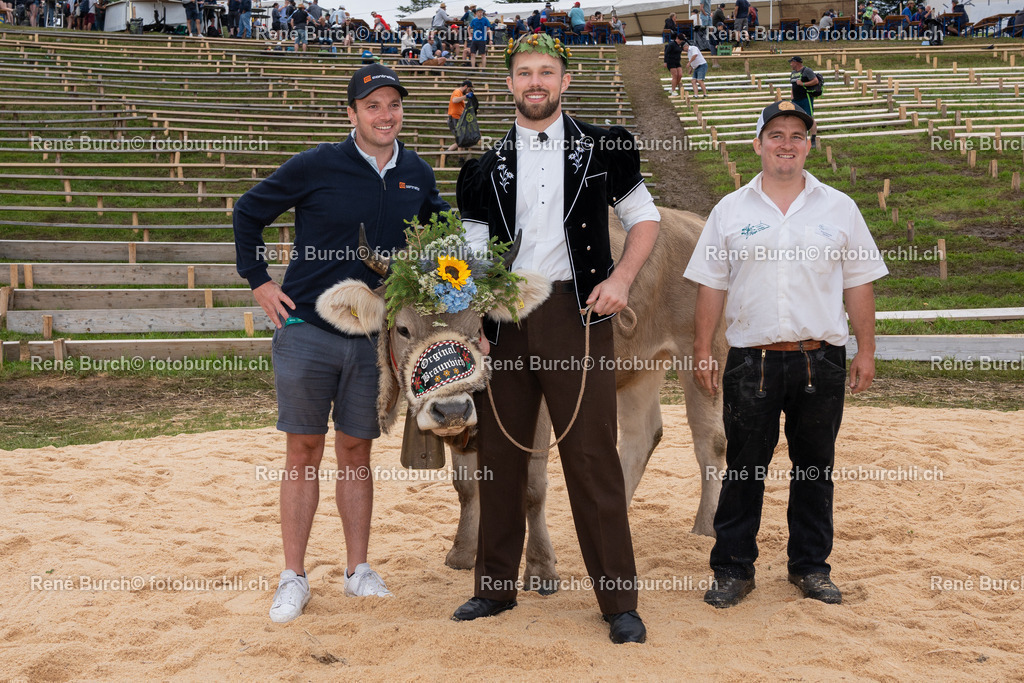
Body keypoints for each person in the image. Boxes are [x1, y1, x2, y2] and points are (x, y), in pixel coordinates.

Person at [452, 33, 661, 645]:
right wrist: (476, 325)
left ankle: (618, 601)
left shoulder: (606, 146)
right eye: (524, 73)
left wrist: (622, 278)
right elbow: (470, 256)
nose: (535, 82)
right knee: (500, 455)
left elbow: (642, 218)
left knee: (590, 455)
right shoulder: (481, 169)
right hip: (503, 319)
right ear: (510, 83)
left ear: (564, 81)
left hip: (577, 312)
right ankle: (494, 587)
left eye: (546, 72)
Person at [234, 64, 449, 624]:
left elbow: (448, 236)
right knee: (302, 451)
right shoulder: (317, 164)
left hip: (371, 344)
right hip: (306, 330)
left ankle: (358, 571)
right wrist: (259, 282)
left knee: (357, 453)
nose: (385, 115)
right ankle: (293, 577)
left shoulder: (417, 174)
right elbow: (248, 211)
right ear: (351, 114)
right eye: (372, 105)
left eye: (393, 105)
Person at [684, 100, 887, 609]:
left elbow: (859, 282)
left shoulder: (840, 207)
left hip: (822, 358)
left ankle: (810, 567)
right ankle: (733, 569)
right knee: (744, 467)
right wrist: (703, 350)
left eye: (798, 134)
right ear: (758, 144)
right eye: (776, 133)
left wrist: (867, 349)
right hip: (751, 360)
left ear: (809, 145)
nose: (787, 142)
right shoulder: (729, 210)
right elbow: (711, 286)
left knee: (814, 466)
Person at [788, 56, 819, 147]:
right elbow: (793, 86)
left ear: (796, 62)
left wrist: (803, 84)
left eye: (791, 62)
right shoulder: (793, 73)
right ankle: (800, 137)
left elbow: (815, 81)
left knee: (809, 117)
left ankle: (813, 138)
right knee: (796, 118)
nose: (790, 64)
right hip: (796, 99)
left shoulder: (807, 70)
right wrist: (792, 97)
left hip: (806, 98)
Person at [447, 79, 474, 150]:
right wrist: (466, 96)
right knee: (462, 139)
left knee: (462, 139)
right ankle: (447, 153)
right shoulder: (457, 91)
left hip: (458, 119)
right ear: (465, 86)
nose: (469, 91)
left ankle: (459, 158)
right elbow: (454, 100)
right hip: (454, 118)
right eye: (469, 89)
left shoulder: (461, 94)